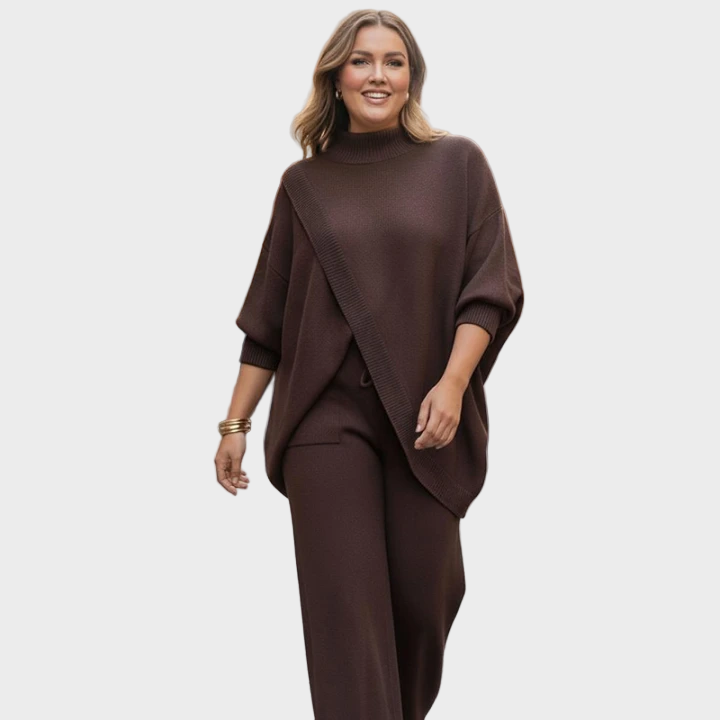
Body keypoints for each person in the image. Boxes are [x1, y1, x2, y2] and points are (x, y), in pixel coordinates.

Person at [215, 10, 524, 720]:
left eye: (393, 61)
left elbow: (489, 289)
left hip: (424, 416)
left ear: (412, 78)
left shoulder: (458, 165)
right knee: (346, 620)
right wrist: (235, 423)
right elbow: (268, 320)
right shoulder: (303, 185)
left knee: (426, 599)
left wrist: (453, 383)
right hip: (323, 420)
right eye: (361, 61)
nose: (377, 75)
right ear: (336, 77)